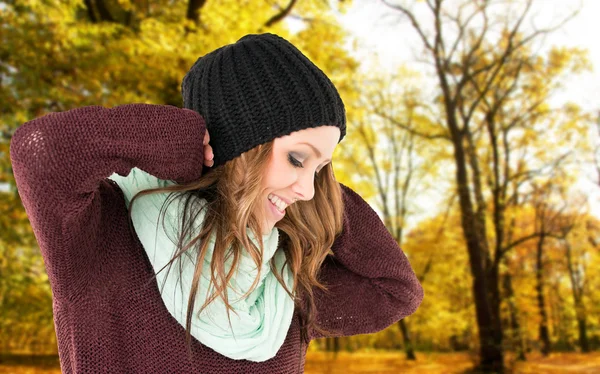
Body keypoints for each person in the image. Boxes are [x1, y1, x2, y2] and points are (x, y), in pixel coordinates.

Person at [10, 32, 424, 373]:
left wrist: (323, 193)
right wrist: (180, 140)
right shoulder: (101, 232)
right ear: (238, 150)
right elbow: (39, 151)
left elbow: (394, 291)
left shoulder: (284, 281)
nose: (308, 190)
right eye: (296, 157)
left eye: (321, 169)